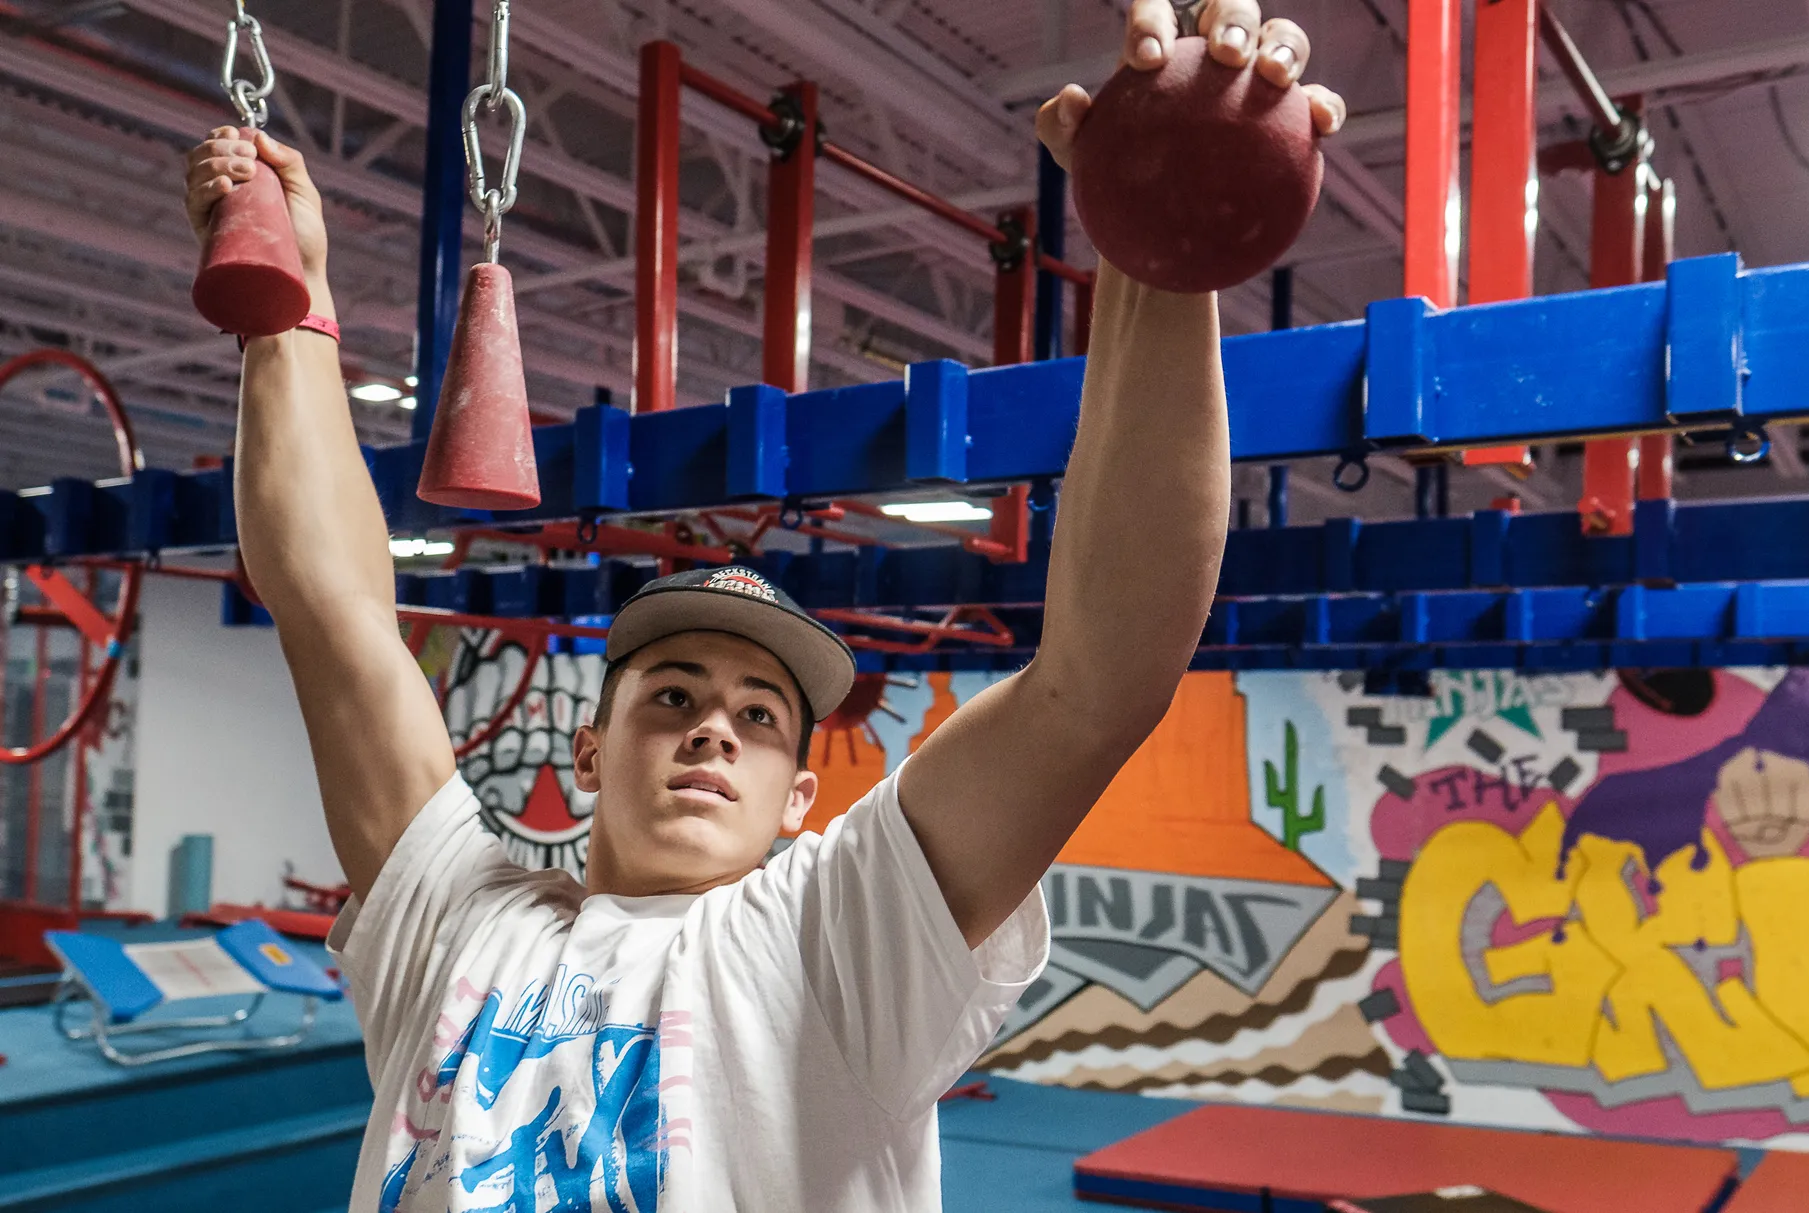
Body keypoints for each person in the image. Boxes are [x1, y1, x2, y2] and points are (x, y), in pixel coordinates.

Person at [181, 2, 1344, 1208]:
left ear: (799, 799)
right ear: (588, 750)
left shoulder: (833, 937)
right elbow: (333, 615)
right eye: (671, 695)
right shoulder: (461, 923)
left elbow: (1098, 679)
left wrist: (1154, 250)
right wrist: (290, 305)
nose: (711, 730)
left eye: (758, 718)